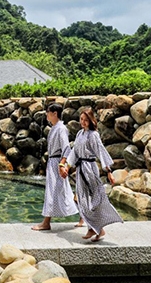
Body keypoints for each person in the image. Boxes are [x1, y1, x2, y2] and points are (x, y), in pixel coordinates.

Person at [60, 107, 122, 242]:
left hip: (90, 168)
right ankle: (97, 228)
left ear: (91, 120)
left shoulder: (93, 135)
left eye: (86, 120)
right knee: (82, 199)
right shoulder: (79, 134)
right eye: (81, 119)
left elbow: (101, 152)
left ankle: (94, 228)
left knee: (94, 199)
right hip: (80, 169)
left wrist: (109, 172)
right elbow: (74, 153)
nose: (83, 122)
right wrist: (67, 166)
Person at [32, 103, 79, 230]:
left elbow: (66, 148)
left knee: (53, 191)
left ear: (55, 113)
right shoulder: (54, 128)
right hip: (53, 161)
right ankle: (82, 211)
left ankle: (46, 222)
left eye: (48, 112)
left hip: (57, 162)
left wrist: (62, 164)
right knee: (60, 191)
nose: (46, 114)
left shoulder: (61, 128)